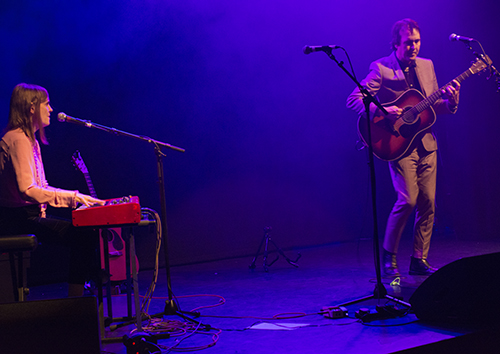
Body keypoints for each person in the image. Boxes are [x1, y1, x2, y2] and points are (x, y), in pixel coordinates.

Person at [346, 19, 460, 276]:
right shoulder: (382, 68)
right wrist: (382, 109)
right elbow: (354, 99)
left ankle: (419, 259)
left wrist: (451, 102)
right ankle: (389, 255)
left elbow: (433, 109)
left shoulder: (427, 66)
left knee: (428, 202)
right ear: (396, 44)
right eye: (409, 43)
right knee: (407, 200)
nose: (414, 47)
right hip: (398, 144)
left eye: (417, 41)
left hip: (426, 144)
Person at [0, 83, 104, 296]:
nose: (51, 109)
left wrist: (78, 198)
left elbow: (42, 187)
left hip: (24, 216)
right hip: (15, 219)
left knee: (86, 232)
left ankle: (81, 294)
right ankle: (75, 302)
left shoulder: (30, 140)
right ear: (31, 107)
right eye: (46, 104)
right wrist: (75, 197)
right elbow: (27, 190)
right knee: (83, 237)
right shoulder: (18, 139)